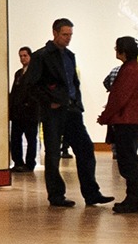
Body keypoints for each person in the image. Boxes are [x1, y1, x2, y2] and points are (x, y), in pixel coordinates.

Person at [30, 19, 109, 208]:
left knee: (85, 149)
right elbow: (32, 85)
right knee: (53, 154)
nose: (68, 38)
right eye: (65, 34)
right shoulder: (41, 56)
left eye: (70, 35)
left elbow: (73, 82)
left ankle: (92, 193)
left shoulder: (69, 56)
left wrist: (77, 103)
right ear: (55, 33)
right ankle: (56, 195)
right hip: (54, 112)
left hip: (72, 110)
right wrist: (51, 102)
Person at [99, 36, 138, 215]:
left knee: (128, 160)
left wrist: (106, 116)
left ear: (124, 51)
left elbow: (119, 97)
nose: (115, 50)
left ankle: (134, 200)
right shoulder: (132, 68)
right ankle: (133, 199)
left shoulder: (129, 70)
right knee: (129, 159)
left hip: (126, 121)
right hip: (129, 120)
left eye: (117, 48)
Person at [7, 45, 39, 172]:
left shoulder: (35, 73)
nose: (22, 58)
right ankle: (18, 162)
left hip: (30, 113)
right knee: (15, 138)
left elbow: (35, 93)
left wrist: (29, 104)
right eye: (20, 56)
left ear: (30, 56)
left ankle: (30, 163)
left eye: (25, 55)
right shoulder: (18, 74)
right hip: (17, 113)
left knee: (31, 139)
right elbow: (14, 92)